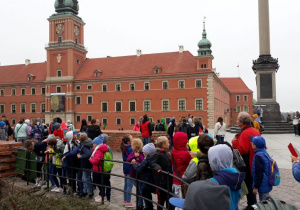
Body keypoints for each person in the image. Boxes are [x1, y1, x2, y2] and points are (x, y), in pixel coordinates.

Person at [232, 112, 260, 209]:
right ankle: (253, 204)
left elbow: (242, 150)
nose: (236, 121)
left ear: (241, 122)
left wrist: (235, 142)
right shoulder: (254, 130)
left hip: (247, 162)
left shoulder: (245, 133)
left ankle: (251, 205)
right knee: (251, 183)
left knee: (248, 185)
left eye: (237, 120)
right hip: (255, 161)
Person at [208, 144, 246, 210]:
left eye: (211, 160)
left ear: (216, 161)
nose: (209, 162)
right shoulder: (236, 175)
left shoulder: (214, 182)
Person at [63, 133, 93, 198]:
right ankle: (85, 192)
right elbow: (75, 151)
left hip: (85, 164)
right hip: (86, 164)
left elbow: (88, 153)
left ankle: (88, 192)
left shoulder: (83, 145)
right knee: (84, 178)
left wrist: (81, 156)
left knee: (85, 178)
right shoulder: (87, 143)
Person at [132, 143, 157, 210]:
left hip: (145, 182)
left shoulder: (146, 160)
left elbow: (139, 170)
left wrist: (134, 164)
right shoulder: (154, 158)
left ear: (146, 153)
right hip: (151, 181)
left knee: (146, 197)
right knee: (149, 198)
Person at [171, 132, 191, 209]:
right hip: (182, 180)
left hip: (175, 179)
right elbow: (191, 163)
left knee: (177, 201)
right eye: (185, 141)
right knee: (183, 202)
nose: (187, 142)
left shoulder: (173, 151)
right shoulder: (185, 154)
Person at [152, 136, 172, 210]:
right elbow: (153, 163)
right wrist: (158, 167)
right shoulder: (158, 154)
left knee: (169, 198)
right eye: (167, 142)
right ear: (163, 145)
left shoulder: (167, 153)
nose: (169, 143)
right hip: (161, 181)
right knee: (161, 200)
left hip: (168, 180)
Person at [250, 136, 272, 201]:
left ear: (255, 146)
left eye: (252, 143)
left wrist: (256, 187)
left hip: (262, 185)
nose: (251, 144)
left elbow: (259, 173)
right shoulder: (264, 153)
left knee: (264, 203)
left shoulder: (258, 156)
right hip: (266, 183)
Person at [89, 136, 108, 203]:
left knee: (99, 183)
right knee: (98, 182)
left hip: (98, 169)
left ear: (97, 144)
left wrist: (90, 159)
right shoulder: (97, 150)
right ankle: (101, 194)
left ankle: (103, 195)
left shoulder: (98, 151)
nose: (93, 144)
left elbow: (96, 161)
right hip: (97, 169)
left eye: (94, 143)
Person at [126, 138, 144, 209]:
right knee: (138, 190)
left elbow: (142, 163)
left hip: (139, 175)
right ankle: (139, 203)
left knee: (140, 191)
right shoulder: (133, 153)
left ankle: (140, 204)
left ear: (135, 146)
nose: (131, 146)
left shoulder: (141, 154)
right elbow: (128, 159)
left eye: (132, 145)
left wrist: (135, 162)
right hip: (133, 174)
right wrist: (134, 156)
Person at [120, 134, 135, 207]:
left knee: (126, 184)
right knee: (129, 185)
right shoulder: (129, 148)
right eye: (131, 138)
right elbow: (133, 156)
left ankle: (125, 200)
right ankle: (128, 202)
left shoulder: (124, 147)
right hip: (129, 168)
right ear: (129, 141)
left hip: (125, 167)